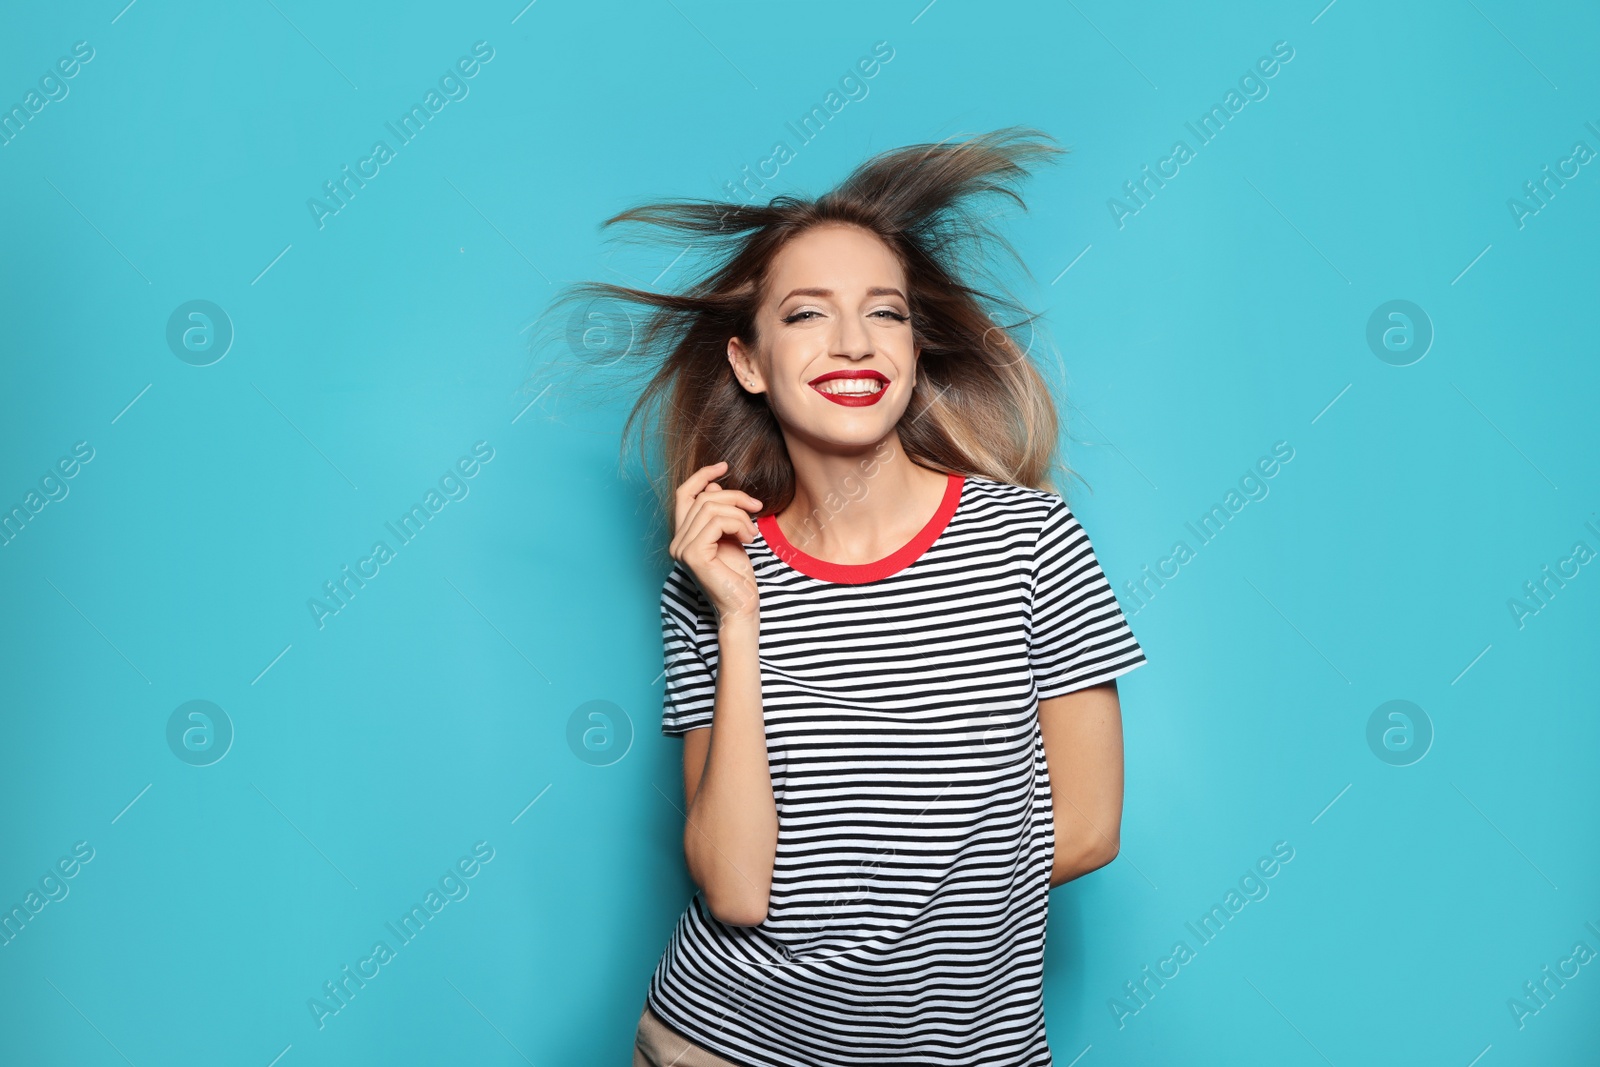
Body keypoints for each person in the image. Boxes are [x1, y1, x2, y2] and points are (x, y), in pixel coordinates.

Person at [547, 127, 1147, 1067]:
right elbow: (737, 889)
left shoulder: (1030, 538)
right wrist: (738, 617)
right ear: (750, 363)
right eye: (806, 315)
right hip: (722, 1044)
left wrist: (877, 966)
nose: (854, 342)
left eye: (886, 312)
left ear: (915, 349)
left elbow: (1090, 826)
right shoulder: (712, 575)